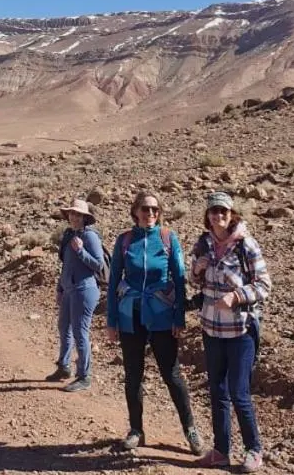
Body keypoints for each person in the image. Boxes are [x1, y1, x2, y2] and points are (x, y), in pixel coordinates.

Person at [106, 190, 203, 454]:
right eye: (145, 209)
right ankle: (136, 430)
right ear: (135, 211)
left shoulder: (168, 238)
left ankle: (190, 430)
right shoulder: (125, 240)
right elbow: (114, 279)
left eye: (155, 210)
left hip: (162, 314)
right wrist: (111, 321)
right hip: (131, 314)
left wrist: (179, 316)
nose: (150, 214)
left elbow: (179, 277)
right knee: (133, 375)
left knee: (171, 374)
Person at [190, 191, 272, 473]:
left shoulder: (245, 245)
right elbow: (194, 280)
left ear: (231, 214)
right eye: (214, 212)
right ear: (208, 216)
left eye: (223, 211)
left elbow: (264, 285)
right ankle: (221, 451)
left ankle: (254, 450)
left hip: (240, 331)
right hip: (212, 329)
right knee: (217, 391)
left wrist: (237, 296)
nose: (218, 216)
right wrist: (197, 270)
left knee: (239, 392)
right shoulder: (204, 244)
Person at [49, 197, 105, 392]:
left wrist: (81, 251)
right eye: (72, 213)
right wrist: (60, 288)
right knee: (64, 327)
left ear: (85, 217)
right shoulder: (68, 235)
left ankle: (84, 376)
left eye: (78, 214)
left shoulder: (90, 237)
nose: (74, 217)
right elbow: (66, 265)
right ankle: (64, 367)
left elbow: (98, 265)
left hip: (85, 289)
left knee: (80, 332)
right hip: (69, 288)